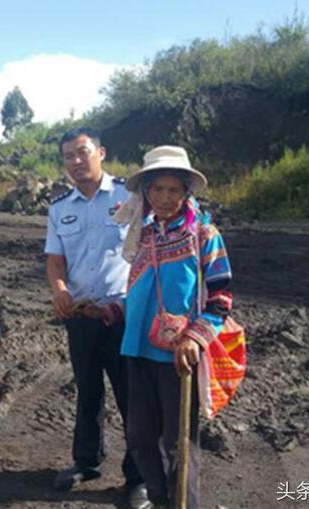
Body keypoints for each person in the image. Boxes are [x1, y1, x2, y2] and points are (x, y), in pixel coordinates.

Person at [100, 145, 233, 509]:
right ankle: (159, 501)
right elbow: (140, 292)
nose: (164, 198)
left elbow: (220, 299)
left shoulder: (204, 236)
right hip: (136, 350)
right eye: (157, 189)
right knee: (141, 438)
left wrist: (195, 337)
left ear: (186, 192)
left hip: (178, 357)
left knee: (179, 444)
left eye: (173, 190)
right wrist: (114, 310)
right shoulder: (142, 236)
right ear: (145, 192)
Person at [44, 127, 145, 502]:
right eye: (68, 155)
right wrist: (59, 289)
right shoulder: (60, 208)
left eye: (82, 152)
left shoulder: (130, 197)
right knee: (87, 392)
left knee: (131, 397)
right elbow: (55, 261)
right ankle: (87, 461)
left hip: (123, 317)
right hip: (82, 317)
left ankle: (139, 477)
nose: (75, 161)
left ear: (101, 152)